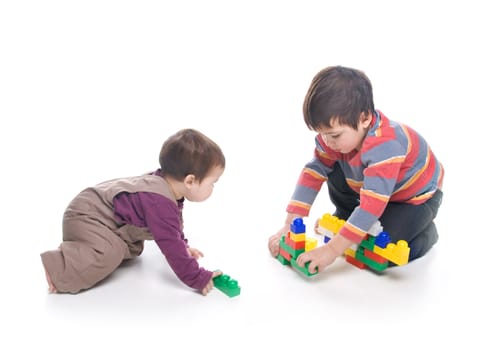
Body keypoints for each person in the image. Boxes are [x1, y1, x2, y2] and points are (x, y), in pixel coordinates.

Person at [268, 66, 444, 274]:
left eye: (334, 135)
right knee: (326, 166)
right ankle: (346, 215)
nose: (326, 141)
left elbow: (371, 206)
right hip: (374, 189)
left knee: (379, 250)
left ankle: (426, 234)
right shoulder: (337, 141)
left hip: (414, 200)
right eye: (322, 134)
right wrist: (290, 224)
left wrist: (331, 250)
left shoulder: (385, 146)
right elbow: (313, 173)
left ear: (365, 119)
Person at [41, 128, 225, 295]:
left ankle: (80, 250)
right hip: (86, 217)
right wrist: (197, 277)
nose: (213, 188)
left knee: (129, 250)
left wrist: (183, 246)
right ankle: (60, 267)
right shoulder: (159, 201)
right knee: (108, 255)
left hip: (99, 219)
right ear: (190, 181)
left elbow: (172, 227)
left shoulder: (167, 188)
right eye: (212, 183)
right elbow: (170, 245)